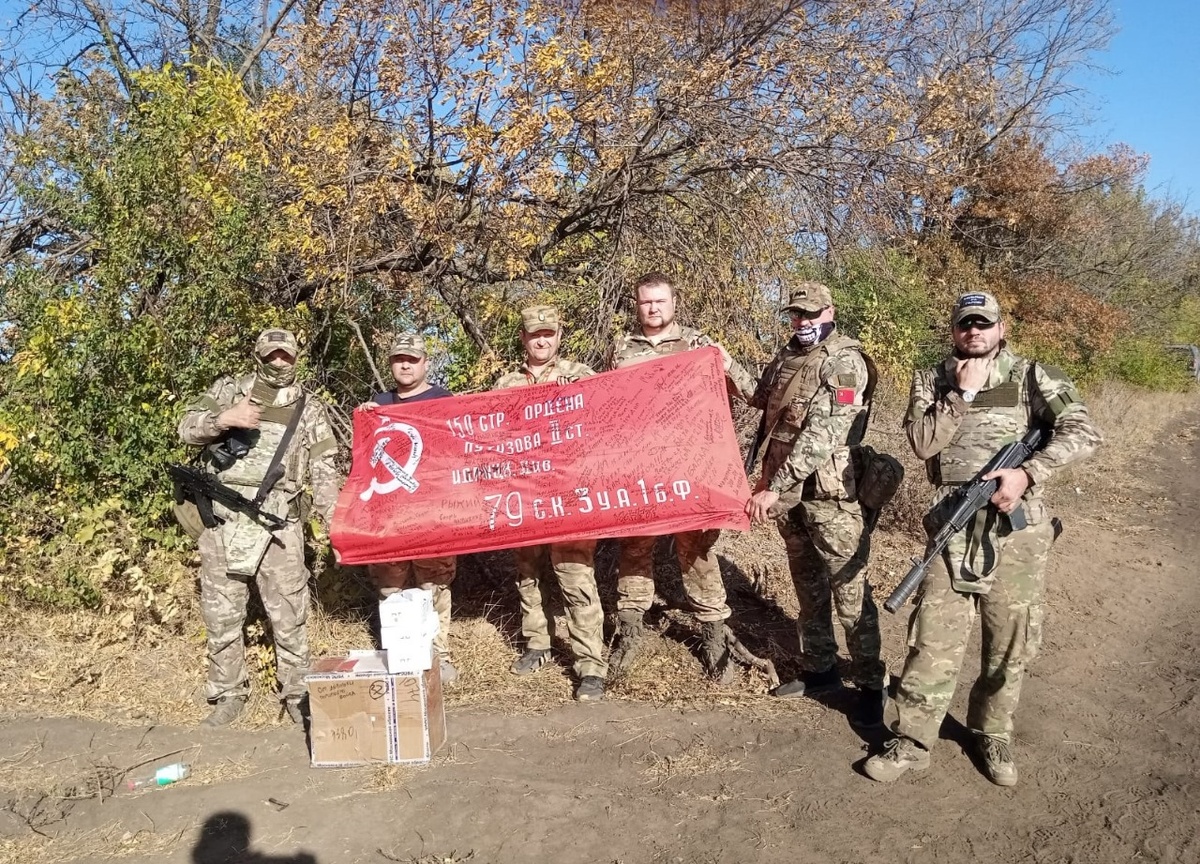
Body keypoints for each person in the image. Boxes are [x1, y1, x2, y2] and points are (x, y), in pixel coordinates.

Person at [864, 291, 1101, 786]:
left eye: (984, 323)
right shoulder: (931, 379)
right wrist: (960, 395)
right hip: (952, 521)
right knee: (932, 635)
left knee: (1010, 639)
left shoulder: (1034, 375)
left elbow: (1083, 432)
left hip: (1017, 529)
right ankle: (912, 740)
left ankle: (992, 733)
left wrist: (1027, 475)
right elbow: (923, 443)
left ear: (1000, 328)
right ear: (954, 331)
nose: (974, 331)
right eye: (965, 324)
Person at [178, 328, 341, 727]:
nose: (278, 362)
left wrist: (336, 526)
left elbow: (324, 472)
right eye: (271, 355)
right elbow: (185, 428)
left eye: (285, 355)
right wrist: (223, 419)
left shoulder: (310, 407)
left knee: (289, 611)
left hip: (279, 520)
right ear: (258, 356)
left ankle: (298, 693)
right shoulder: (230, 390)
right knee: (222, 612)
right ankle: (228, 694)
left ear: (296, 357)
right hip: (224, 516)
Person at [744, 282, 886, 726]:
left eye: (810, 314)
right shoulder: (787, 356)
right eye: (796, 315)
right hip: (790, 498)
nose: (802, 323)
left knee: (850, 593)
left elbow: (824, 436)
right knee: (808, 589)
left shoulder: (846, 361)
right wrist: (721, 360)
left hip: (831, 496)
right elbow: (759, 397)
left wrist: (774, 485)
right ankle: (820, 669)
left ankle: (869, 685)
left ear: (830, 311)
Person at [607, 271, 758, 682]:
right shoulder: (621, 348)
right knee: (634, 550)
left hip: (691, 469)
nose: (653, 308)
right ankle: (630, 630)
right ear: (636, 305)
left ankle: (713, 634)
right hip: (639, 469)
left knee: (697, 552)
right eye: (645, 302)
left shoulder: (698, 345)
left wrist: (725, 361)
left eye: (660, 301)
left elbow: (753, 392)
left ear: (674, 303)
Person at [493, 305, 608, 701]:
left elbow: (611, 412)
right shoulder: (506, 383)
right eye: (534, 334)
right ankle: (538, 644)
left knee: (576, 577)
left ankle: (591, 664)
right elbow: (483, 431)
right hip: (524, 495)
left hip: (570, 494)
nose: (542, 340)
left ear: (559, 335)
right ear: (523, 338)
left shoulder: (580, 376)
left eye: (549, 333)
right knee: (528, 574)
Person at [360, 333, 459, 685]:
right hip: (391, 515)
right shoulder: (379, 403)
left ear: (425, 363)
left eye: (412, 359)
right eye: (399, 358)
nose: (405, 364)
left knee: (434, 586)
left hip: (431, 512)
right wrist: (365, 418)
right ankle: (401, 654)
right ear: (390, 363)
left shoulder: (443, 400)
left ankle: (438, 657)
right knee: (391, 589)